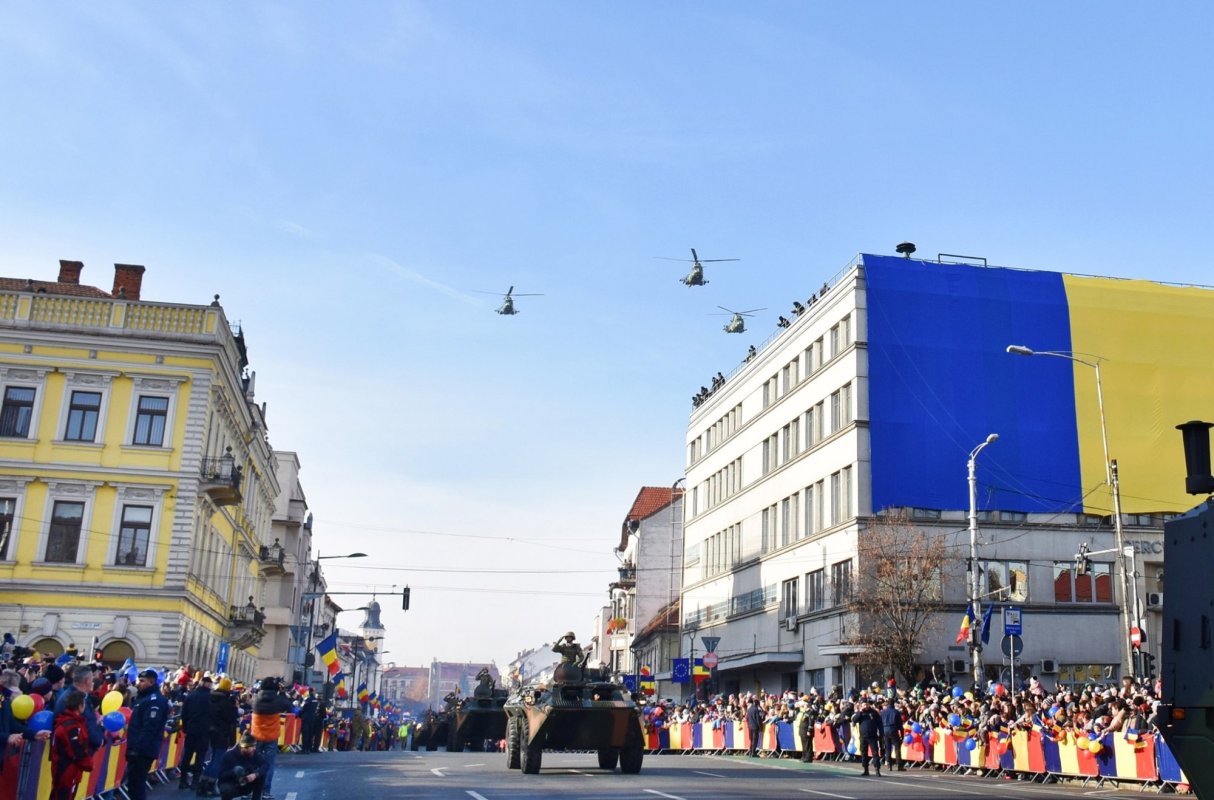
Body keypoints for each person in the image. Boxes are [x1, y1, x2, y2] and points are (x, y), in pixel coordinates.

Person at [125, 669, 170, 800]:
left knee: (137, 785)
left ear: (152, 682)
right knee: (134, 784)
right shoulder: (142, 698)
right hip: (137, 747)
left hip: (143, 750)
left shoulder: (154, 700)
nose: (139, 683)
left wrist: (137, 749)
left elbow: (149, 727)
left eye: (142, 681)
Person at [249, 677, 291, 799]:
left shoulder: (256, 699)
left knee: (254, 763)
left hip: (256, 734)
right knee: (269, 764)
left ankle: (252, 790)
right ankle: (266, 791)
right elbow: (289, 707)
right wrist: (282, 693)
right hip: (271, 735)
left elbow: (250, 704)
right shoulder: (278, 700)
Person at [50, 690, 92, 800]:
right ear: (79, 706)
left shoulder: (73, 722)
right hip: (66, 771)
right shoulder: (70, 726)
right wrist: (88, 764)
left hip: (69, 771)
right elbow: (76, 749)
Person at [179, 675, 213, 789]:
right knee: (200, 757)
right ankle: (195, 781)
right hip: (204, 731)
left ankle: (183, 780)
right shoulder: (210, 697)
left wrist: (185, 727)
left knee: (187, 755)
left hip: (191, 729)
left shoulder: (191, 695)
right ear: (208, 685)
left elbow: (184, 713)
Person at [216, 732, 266, 800]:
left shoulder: (254, 753)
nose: (253, 749)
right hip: (232, 783)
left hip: (246, 782)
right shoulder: (229, 756)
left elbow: (265, 765)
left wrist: (255, 774)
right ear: (243, 748)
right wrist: (233, 772)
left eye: (254, 746)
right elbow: (220, 775)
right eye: (251, 747)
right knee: (226, 790)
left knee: (261, 776)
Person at [851, 699, 882, 776]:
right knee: (864, 753)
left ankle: (877, 769)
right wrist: (860, 712)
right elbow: (854, 720)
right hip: (863, 736)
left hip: (873, 736)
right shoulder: (860, 713)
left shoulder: (874, 712)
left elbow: (880, 723)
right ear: (862, 705)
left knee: (875, 753)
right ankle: (865, 769)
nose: (866, 706)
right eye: (864, 705)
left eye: (867, 704)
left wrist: (881, 733)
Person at [879, 697, 905, 771]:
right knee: (897, 748)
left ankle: (889, 765)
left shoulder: (883, 712)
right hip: (893, 730)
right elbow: (900, 725)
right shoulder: (896, 712)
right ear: (893, 703)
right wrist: (902, 735)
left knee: (888, 748)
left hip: (885, 730)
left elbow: (879, 723)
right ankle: (899, 765)